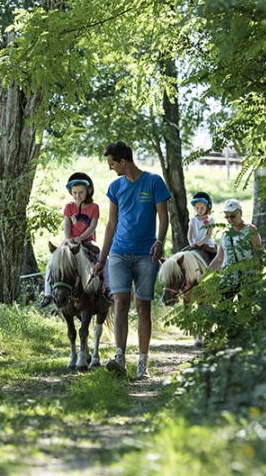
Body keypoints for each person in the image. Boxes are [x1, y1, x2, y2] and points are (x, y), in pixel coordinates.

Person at [93, 141, 170, 379]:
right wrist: (102, 258)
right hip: (119, 254)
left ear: (123, 161)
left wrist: (159, 241)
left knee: (143, 307)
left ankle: (142, 364)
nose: (110, 168)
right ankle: (120, 360)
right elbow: (111, 224)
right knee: (120, 303)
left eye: (112, 163)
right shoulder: (115, 187)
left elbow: (163, 216)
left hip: (146, 255)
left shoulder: (154, 182)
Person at [38, 172, 110, 308]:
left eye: (81, 192)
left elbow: (92, 226)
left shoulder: (94, 208)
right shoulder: (69, 207)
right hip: (70, 241)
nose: (78, 196)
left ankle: (107, 288)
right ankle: (48, 294)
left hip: (87, 240)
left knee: (103, 258)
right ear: (71, 192)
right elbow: (67, 224)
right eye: (75, 192)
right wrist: (68, 238)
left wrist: (81, 238)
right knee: (51, 263)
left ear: (88, 191)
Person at [208, 199, 262, 298]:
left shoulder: (251, 229)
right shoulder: (225, 234)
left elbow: (258, 255)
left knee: (246, 309)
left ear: (240, 213)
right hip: (228, 278)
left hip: (247, 277)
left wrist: (257, 276)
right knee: (223, 308)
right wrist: (206, 273)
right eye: (226, 217)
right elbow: (219, 258)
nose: (229, 220)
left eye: (232, 216)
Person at [186, 191, 217, 262]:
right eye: (197, 208)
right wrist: (191, 242)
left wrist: (202, 242)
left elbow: (209, 235)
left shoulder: (210, 220)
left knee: (214, 256)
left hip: (206, 243)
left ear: (207, 207)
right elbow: (189, 233)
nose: (199, 210)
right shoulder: (193, 220)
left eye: (202, 208)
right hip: (195, 244)